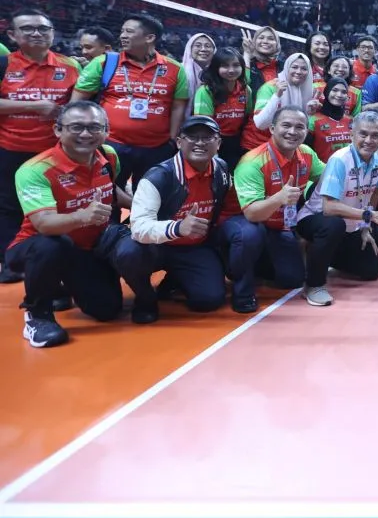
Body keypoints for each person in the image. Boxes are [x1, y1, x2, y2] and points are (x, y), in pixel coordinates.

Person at [9, 102, 131, 348]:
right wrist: (83, 215)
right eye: (76, 127)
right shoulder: (35, 170)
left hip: (85, 250)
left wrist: (145, 207)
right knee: (53, 245)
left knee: (107, 310)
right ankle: (38, 315)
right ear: (58, 130)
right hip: (36, 246)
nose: (85, 134)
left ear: (106, 131)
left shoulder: (108, 155)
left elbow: (112, 190)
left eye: (94, 127)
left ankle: (62, 284)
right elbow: (44, 225)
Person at [113, 116, 230, 322]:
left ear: (218, 143)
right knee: (129, 252)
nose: (200, 143)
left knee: (208, 300)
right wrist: (177, 228)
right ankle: (145, 298)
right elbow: (139, 227)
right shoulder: (158, 176)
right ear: (179, 142)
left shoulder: (221, 169)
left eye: (207, 138)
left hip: (194, 247)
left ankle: (175, 279)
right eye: (192, 137)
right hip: (155, 246)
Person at [0, 8, 81, 283]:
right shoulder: (4, 64)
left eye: (43, 28)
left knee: (60, 205)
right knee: (10, 207)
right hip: (11, 148)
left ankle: (61, 261)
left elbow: (80, 103)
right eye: (28, 28)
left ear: (53, 33)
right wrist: (34, 106)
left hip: (56, 152)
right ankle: (12, 261)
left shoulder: (71, 66)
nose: (37, 33)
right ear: (12, 35)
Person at [219, 105, 325, 313]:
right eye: (286, 125)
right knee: (250, 234)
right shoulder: (252, 162)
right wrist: (279, 198)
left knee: (293, 279)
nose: (292, 132)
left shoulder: (306, 153)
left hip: (277, 226)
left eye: (299, 127)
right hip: (240, 222)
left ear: (306, 131)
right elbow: (251, 213)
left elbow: (329, 176)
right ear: (272, 128)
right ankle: (242, 291)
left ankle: (249, 263)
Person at [71, 13, 190, 188]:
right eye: (122, 31)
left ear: (149, 38)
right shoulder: (104, 63)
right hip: (111, 144)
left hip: (156, 148)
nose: (122, 36)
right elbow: (77, 102)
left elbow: (178, 108)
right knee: (107, 193)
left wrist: (171, 141)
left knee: (151, 195)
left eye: (129, 31)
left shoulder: (175, 68)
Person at [292, 112, 378, 306]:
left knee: (372, 270)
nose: (369, 140)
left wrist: (365, 227)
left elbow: (375, 193)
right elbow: (329, 208)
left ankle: (321, 255)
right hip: (315, 218)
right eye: (363, 134)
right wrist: (370, 215)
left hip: (351, 222)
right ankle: (313, 285)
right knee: (333, 225)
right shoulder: (340, 160)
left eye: (375, 135)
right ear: (352, 135)